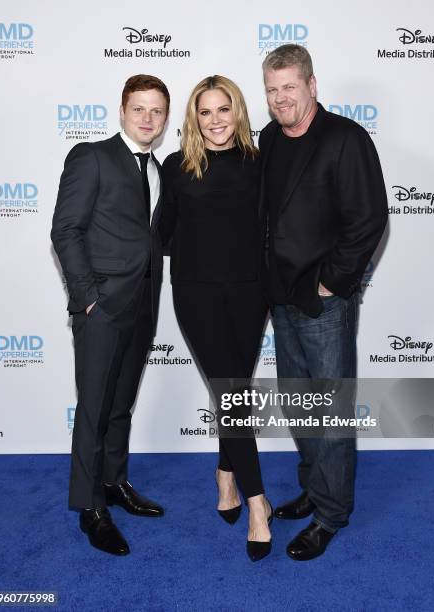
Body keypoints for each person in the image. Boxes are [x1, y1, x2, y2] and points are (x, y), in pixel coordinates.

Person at [259, 44, 388, 560]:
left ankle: (332, 513)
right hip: (281, 297)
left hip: (323, 301)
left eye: (289, 86)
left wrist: (331, 283)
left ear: (312, 86)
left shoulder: (345, 138)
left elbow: (369, 218)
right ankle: (313, 490)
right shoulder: (269, 138)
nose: (280, 98)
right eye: (272, 90)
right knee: (299, 404)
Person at [51, 74, 170, 556]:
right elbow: (65, 230)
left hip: (144, 303)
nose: (147, 118)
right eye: (138, 108)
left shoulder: (158, 169)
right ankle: (89, 506)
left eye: (157, 111)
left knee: (121, 403)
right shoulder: (91, 156)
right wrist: (87, 299)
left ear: (165, 117)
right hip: (102, 307)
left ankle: (115, 482)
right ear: (122, 111)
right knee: (95, 407)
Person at [160, 75, 272, 561]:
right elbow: (160, 233)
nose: (215, 120)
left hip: (251, 294)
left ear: (238, 111)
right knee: (231, 392)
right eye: (204, 112)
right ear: (193, 118)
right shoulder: (176, 167)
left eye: (223, 109)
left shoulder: (260, 162)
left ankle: (225, 473)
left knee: (235, 390)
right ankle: (256, 501)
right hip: (197, 295)